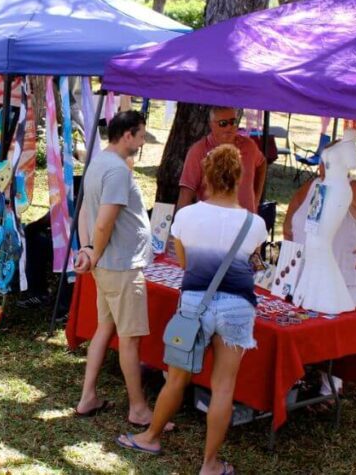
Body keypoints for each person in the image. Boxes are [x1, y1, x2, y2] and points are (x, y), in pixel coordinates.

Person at [116, 144, 267, 475]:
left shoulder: (186, 216)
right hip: (238, 306)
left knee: (176, 379)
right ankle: (210, 463)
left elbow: (183, 262)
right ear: (239, 178)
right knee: (224, 386)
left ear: (206, 177)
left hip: (195, 304)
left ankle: (151, 436)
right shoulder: (254, 223)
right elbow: (253, 263)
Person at [72, 110, 154, 428]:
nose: (144, 141)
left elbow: (85, 212)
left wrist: (87, 249)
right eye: (142, 135)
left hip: (108, 264)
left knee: (104, 330)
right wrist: (92, 249)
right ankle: (138, 408)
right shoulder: (117, 170)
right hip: (120, 266)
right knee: (129, 340)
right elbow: (104, 221)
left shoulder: (99, 161)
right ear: (128, 135)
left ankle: (88, 396)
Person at [283, 151, 356, 307]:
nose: (322, 166)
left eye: (328, 161)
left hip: (341, 280)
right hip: (305, 276)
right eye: (322, 160)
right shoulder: (315, 184)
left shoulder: (351, 187)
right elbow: (293, 213)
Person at [177, 107, 266, 213]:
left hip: (245, 222)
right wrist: (180, 220)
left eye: (233, 122)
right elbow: (186, 193)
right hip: (211, 222)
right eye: (223, 123)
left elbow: (262, 163)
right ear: (211, 124)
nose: (230, 127)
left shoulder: (249, 146)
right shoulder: (198, 151)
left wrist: (256, 199)